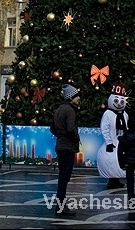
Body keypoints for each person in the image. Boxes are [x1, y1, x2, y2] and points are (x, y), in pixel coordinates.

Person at [50, 83, 80, 216]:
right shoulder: (70, 110)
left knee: (63, 176)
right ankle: (61, 206)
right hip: (67, 146)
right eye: (76, 96)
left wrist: (60, 136)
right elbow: (71, 128)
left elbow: (52, 128)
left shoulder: (58, 110)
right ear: (70, 97)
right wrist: (76, 139)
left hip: (60, 145)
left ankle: (60, 205)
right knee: (64, 177)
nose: (78, 98)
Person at [98, 84, 128, 189]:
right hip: (112, 142)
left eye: (122, 101)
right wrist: (109, 142)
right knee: (111, 161)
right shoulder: (108, 114)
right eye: (116, 101)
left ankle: (116, 179)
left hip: (122, 142)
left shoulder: (124, 114)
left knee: (119, 162)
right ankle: (111, 180)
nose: (119, 104)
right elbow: (104, 128)